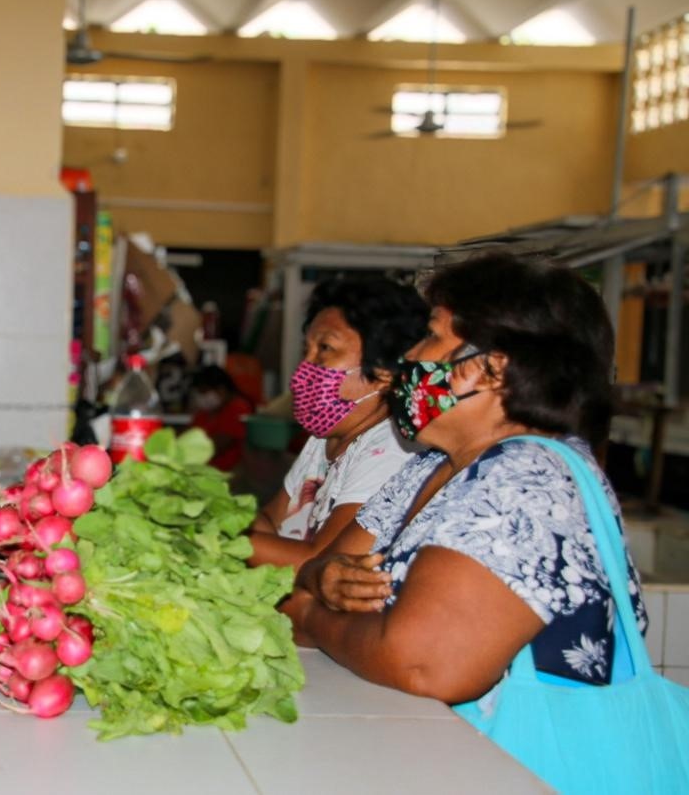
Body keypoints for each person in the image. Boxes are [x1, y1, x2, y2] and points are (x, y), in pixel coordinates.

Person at [288, 253, 647, 705]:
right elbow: (313, 574)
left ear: (491, 368)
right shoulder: (431, 467)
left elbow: (423, 663)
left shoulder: (529, 480)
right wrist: (322, 582)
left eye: (432, 336)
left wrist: (314, 618)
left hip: (516, 769)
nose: (410, 357)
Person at [248, 277, 428, 570]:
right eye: (306, 351)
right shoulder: (326, 438)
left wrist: (216, 534)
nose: (306, 368)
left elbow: (320, 564)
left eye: (325, 349)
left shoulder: (391, 450)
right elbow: (270, 522)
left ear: (384, 371)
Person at [187, 365, 253, 472]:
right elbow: (189, 434)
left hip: (228, 475)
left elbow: (218, 445)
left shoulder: (238, 408)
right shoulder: (204, 412)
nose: (201, 397)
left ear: (221, 389)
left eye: (204, 391)